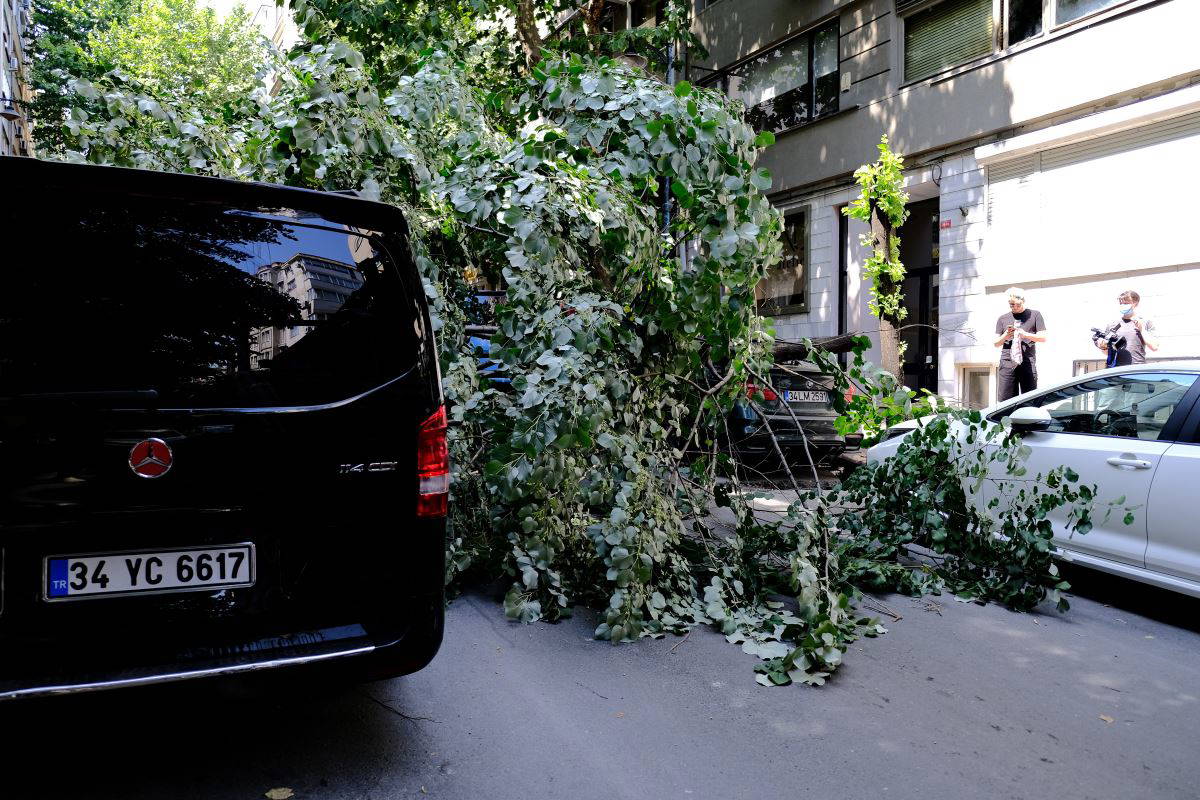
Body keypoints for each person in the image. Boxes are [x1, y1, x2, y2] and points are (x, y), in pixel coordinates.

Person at [994, 287, 1048, 401]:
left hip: (1027, 362)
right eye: (1012, 305)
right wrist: (1006, 335)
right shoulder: (1002, 319)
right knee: (1006, 400)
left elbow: (1043, 337)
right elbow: (996, 343)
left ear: (1023, 301)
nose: (1015, 307)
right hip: (1007, 363)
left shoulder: (1035, 315)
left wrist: (1025, 335)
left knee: (1029, 399)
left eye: (1017, 304)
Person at [1095, 289, 1158, 366]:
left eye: (1126, 303)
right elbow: (1108, 353)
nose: (1123, 306)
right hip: (1116, 369)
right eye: (1121, 303)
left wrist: (1142, 330)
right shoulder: (1113, 325)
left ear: (1136, 303)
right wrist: (1103, 346)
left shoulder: (1145, 322)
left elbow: (1154, 347)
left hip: (1136, 369)